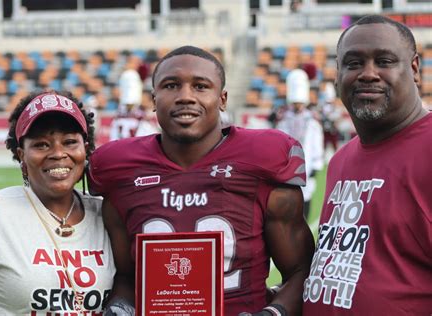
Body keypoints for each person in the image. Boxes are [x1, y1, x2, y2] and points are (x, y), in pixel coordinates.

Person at [89, 46, 315, 315]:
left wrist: (273, 313)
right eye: (171, 86)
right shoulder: (121, 169)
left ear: (222, 99)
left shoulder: (263, 160)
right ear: (153, 99)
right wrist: (119, 307)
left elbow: (303, 271)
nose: (185, 97)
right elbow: (125, 277)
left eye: (200, 86)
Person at [303, 15, 432, 315]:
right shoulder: (340, 160)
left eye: (384, 61)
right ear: (336, 74)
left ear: (414, 69)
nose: (368, 74)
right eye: (353, 63)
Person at [0, 91, 116, 314]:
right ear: (21, 155)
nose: (58, 153)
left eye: (70, 142)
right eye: (42, 145)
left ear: (86, 149)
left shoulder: (108, 213)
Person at [276, 69, 324, 220]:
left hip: (307, 160)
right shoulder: (284, 118)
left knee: (307, 193)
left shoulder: (312, 119)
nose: (297, 106)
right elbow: (279, 140)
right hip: (288, 162)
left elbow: (317, 142)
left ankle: (305, 222)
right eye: (295, 102)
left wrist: (316, 165)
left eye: (299, 103)